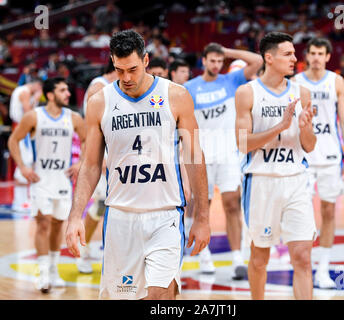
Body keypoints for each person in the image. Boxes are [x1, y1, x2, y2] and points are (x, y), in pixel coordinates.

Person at [65, 29, 210, 300]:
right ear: (112, 62)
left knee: (161, 295)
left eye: (132, 68)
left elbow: (194, 156)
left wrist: (202, 217)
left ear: (145, 60)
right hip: (121, 216)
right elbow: (91, 163)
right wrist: (75, 216)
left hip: (165, 214)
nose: (127, 78)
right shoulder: (100, 102)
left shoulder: (176, 96)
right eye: (119, 70)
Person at [235, 32, 317, 300]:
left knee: (303, 257)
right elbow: (243, 144)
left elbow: (309, 145)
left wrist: (304, 128)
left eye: (294, 53)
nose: (295, 58)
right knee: (260, 258)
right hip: (261, 181)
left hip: (295, 179)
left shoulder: (302, 92)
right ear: (268, 58)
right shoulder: (247, 93)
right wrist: (280, 126)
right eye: (288, 54)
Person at [184, 42, 263, 278]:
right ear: (204, 61)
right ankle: (204, 256)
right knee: (201, 208)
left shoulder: (232, 81)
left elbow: (258, 61)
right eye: (213, 60)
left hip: (228, 154)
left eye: (220, 61)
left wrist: (227, 52)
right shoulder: (190, 88)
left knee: (232, 204)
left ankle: (237, 258)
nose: (217, 65)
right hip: (202, 156)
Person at [8, 77, 86, 293]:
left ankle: (53, 269)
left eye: (68, 90)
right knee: (42, 223)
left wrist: (80, 162)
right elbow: (13, 140)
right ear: (50, 95)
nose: (68, 94)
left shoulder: (74, 118)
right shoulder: (34, 116)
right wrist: (23, 167)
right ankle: (42, 272)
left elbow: (89, 140)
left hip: (62, 179)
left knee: (57, 225)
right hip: (40, 179)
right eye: (63, 90)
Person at [293, 37, 344, 289]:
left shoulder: (336, 81)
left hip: (330, 156)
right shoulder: (295, 82)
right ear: (306, 56)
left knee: (328, 212)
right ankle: (303, 264)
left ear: (328, 57)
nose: (317, 57)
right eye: (313, 53)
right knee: (302, 214)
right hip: (304, 156)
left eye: (321, 53)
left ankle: (323, 269)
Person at [76, 58, 118, 274]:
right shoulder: (99, 86)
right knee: (101, 204)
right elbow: (92, 127)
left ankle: (95, 247)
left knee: (113, 205)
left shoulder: (114, 87)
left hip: (115, 154)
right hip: (101, 154)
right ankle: (83, 251)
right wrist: (98, 156)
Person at [9, 78, 43, 212]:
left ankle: (20, 201)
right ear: (37, 85)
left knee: (25, 162)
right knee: (24, 162)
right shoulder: (25, 92)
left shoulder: (20, 90)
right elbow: (28, 112)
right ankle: (20, 202)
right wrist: (36, 98)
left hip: (20, 127)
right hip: (22, 129)